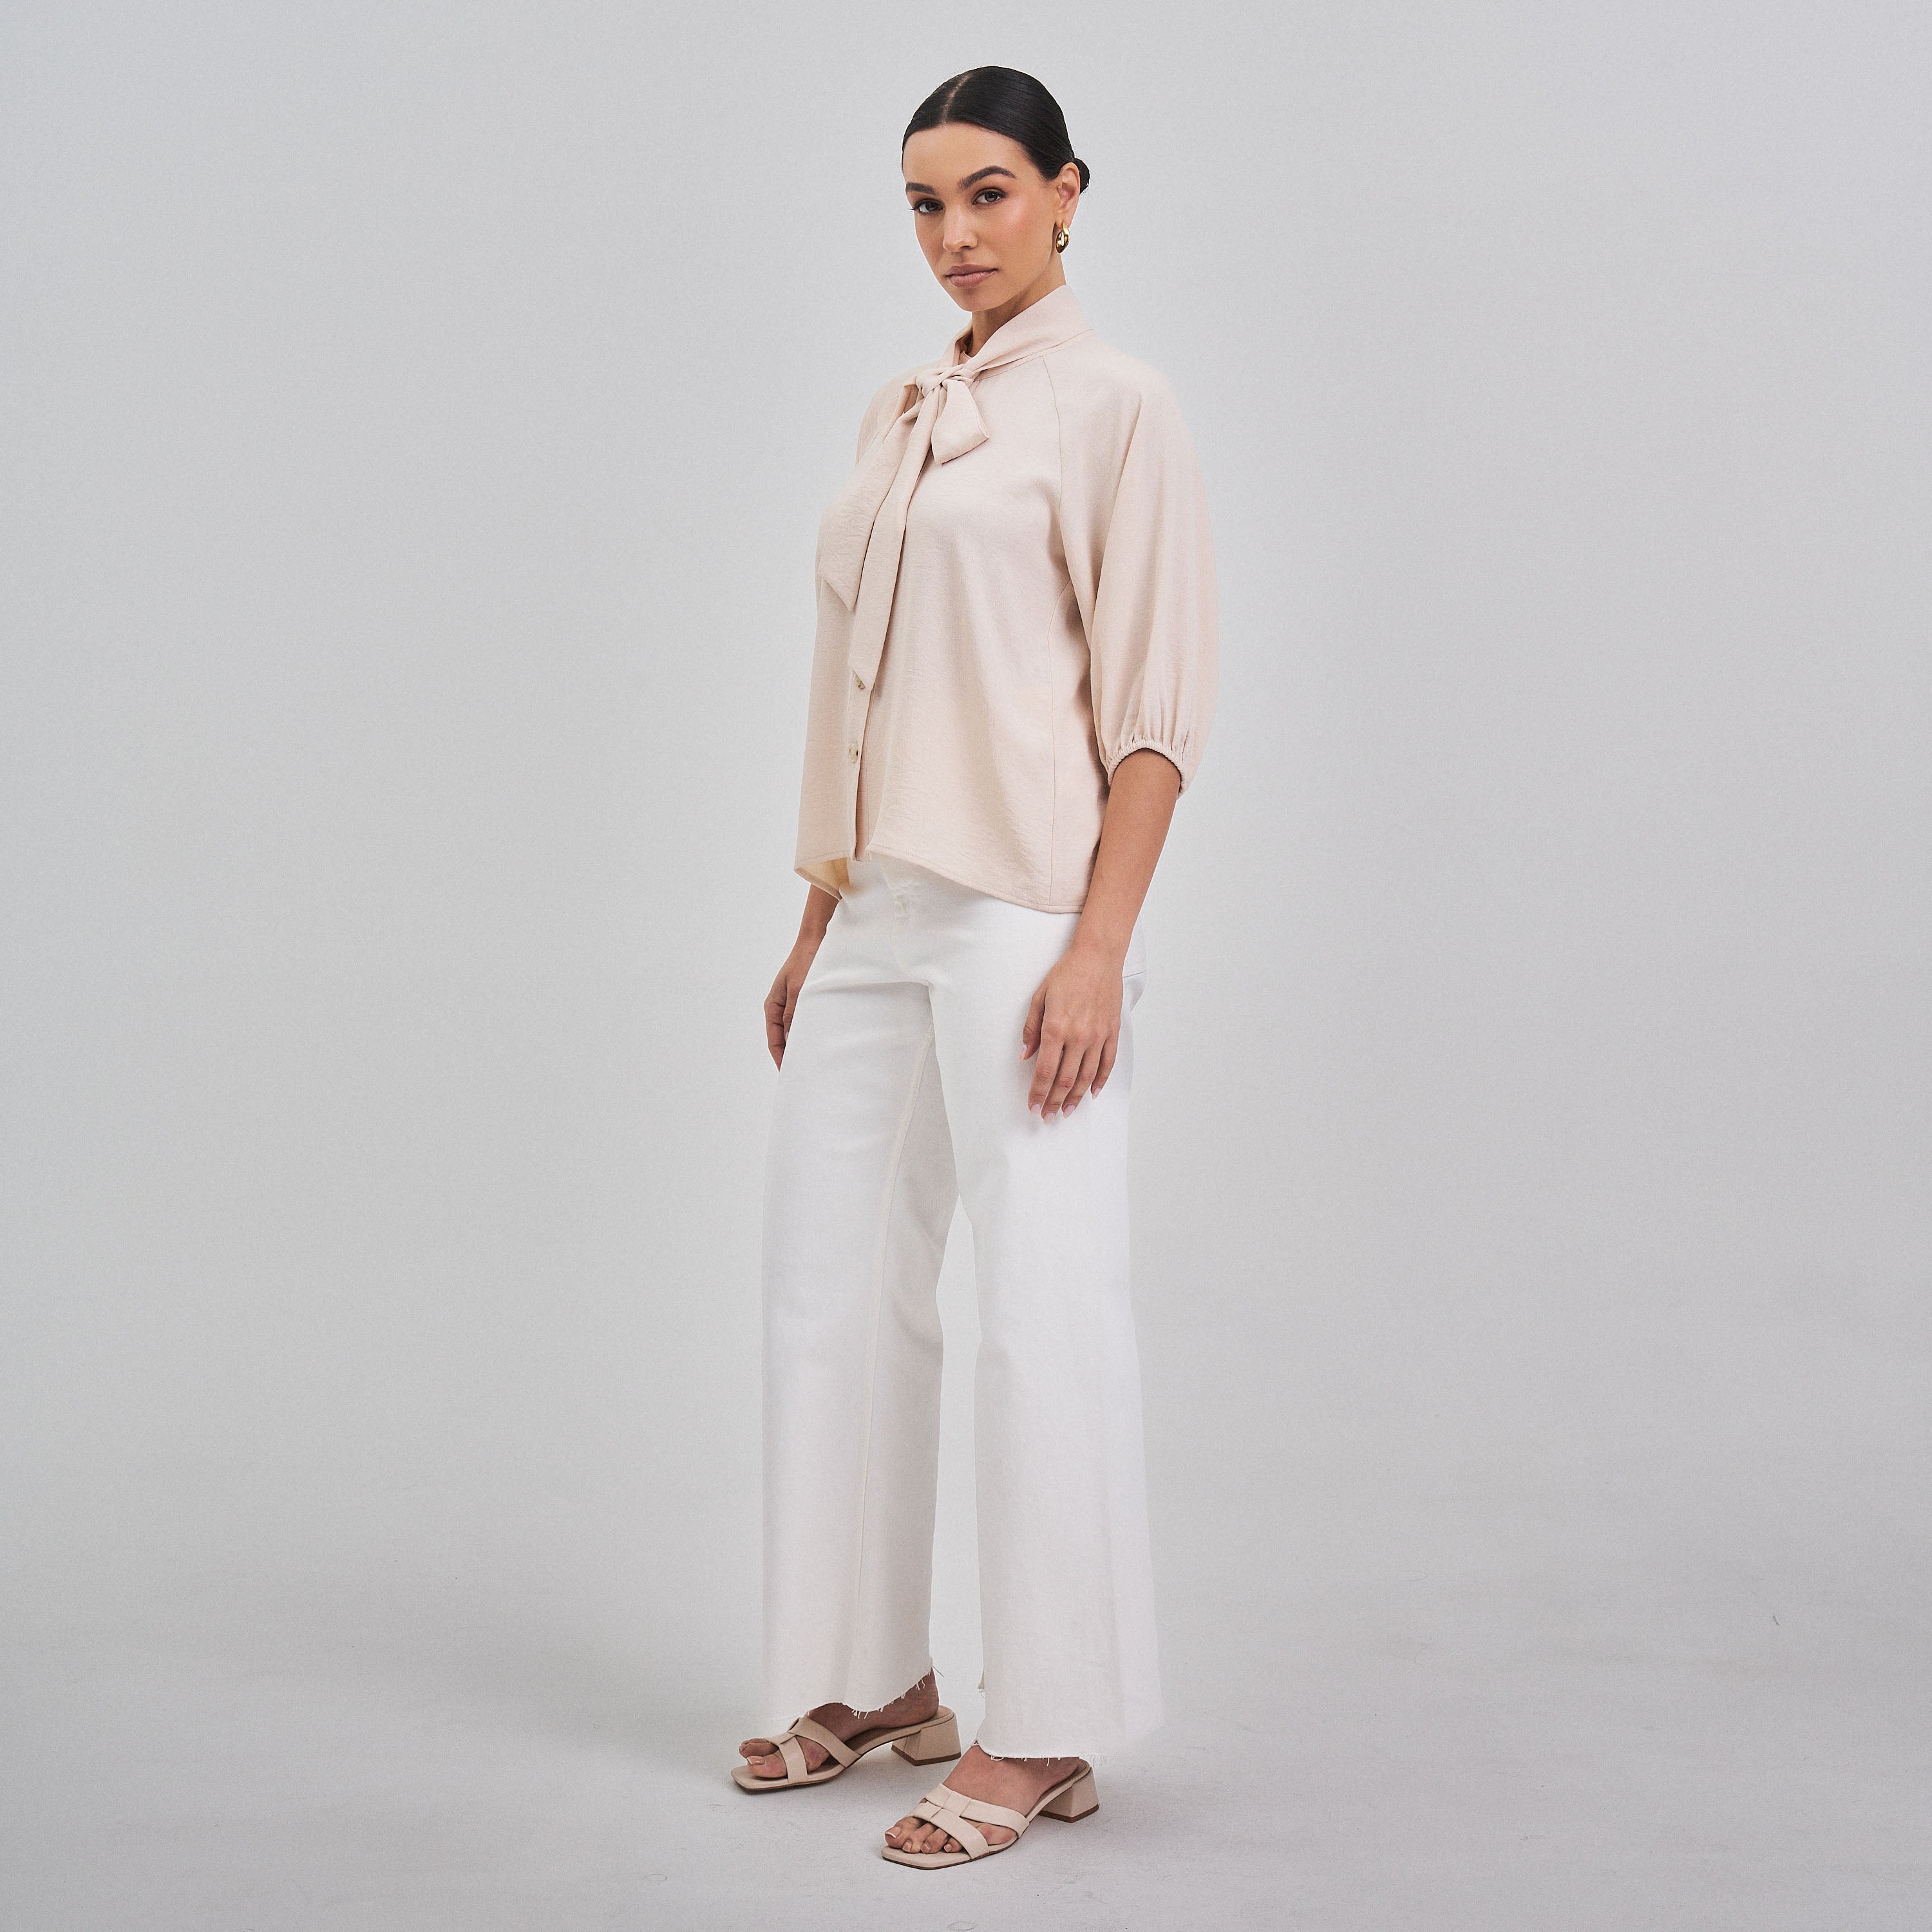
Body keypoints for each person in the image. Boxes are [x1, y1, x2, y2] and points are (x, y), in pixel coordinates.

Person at [731, 66, 1218, 1870]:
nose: (955, 234)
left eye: (990, 193)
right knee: (833, 1292)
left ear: (1069, 192)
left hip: (1024, 912)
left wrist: (1100, 948)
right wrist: (815, 916)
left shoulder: (1117, 405)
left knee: (1041, 1309)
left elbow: (1156, 711)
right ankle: (874, 1678)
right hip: (873, 909)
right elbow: (847, 691)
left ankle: (1047, 1728)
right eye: (926, 204)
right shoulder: (901, 410)